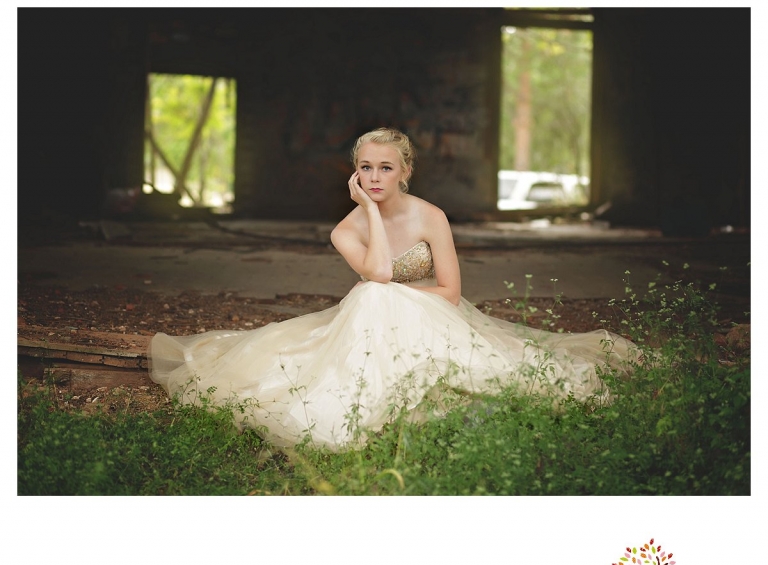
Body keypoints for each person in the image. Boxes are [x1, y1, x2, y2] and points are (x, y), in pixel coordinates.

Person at [148, 127, 637, 450]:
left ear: (405, 171)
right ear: (355, 173)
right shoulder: (345, 230)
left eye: (385, 168)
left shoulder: (432, 216)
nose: (375, 176)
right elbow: (379, 272)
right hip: (371, 327)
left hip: (436, 318)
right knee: (373, 293)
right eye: (365, 167)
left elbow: (447, 290)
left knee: (380, 296)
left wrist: (397, 296)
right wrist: (369, 213)